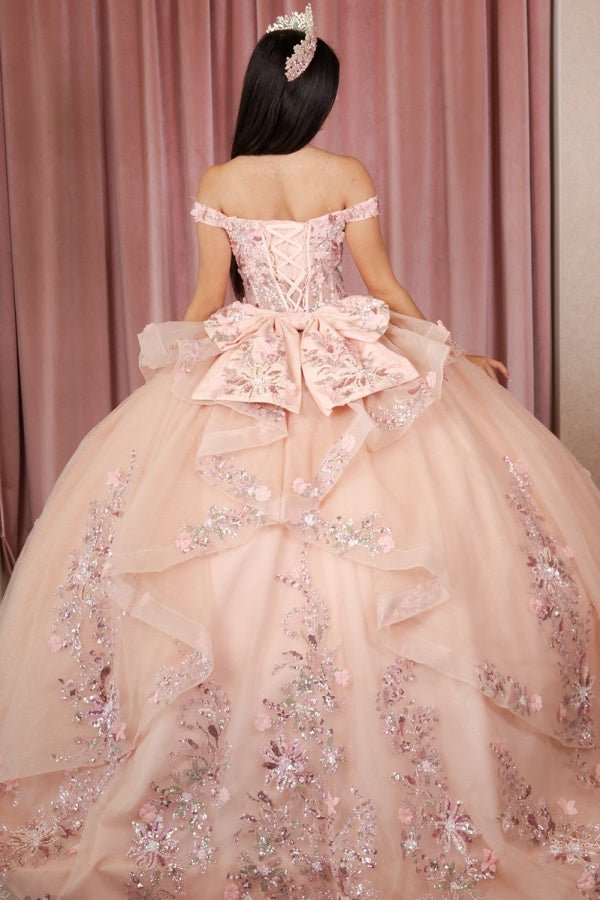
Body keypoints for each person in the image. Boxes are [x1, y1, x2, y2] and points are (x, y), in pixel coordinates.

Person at [1, 7, 599, 898]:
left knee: (218, 543)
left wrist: (171, 374)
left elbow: (207, 299)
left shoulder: (222, 179)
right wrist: (445, 350)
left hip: (250, 362)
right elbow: (383, 285)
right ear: (313, 97)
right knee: (391, 529)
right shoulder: (344, 172)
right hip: (345, 360)